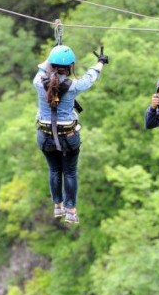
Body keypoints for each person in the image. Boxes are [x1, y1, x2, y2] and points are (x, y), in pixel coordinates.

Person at [34, 45, 108, 224]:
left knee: (54, 170)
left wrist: (55, 49)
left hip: (45, 136)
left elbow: (42, 67)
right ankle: (71, 211)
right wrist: (100, 62)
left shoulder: (38, 82)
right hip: (68, 137)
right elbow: (91, 77)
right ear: (70, 67)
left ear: (51, 64)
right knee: (70, 172)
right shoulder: (74, 87)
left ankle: (58, 206)